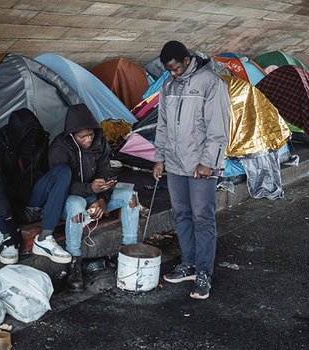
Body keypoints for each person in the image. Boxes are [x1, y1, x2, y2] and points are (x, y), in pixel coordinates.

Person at [153, 41, 230, 300]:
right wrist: (159, 158)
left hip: (200, 165)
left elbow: (218, 128)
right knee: (182, 214)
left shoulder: (211, 83)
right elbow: (162, 125)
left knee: (203, 217)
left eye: (175, 68)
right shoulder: (167, 86)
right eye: (168, 70)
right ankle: (188, 263)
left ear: (186, 60)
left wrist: (208, 162)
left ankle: (204, 272)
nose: (172, 74)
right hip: (175, 164)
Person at [49, 103, 140, 291]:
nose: (88, 140)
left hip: (94, 196)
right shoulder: (59, 147)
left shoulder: (99, 142)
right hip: (70, 199)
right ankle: (74, 262)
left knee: (131, 197)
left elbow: (107, 173)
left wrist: (103, 199)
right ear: (72, 135)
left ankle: (128, 253)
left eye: (90, 134)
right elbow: (59, 186)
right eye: (83, 137)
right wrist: (90, 189)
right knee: (76, 205)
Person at [0, 108, 72, 265]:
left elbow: (41, 172)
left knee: (62, 171)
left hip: (29, 197)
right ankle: (9, 238)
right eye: (27, 140)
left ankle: (45, 237)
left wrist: (44, 205)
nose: (31, 144)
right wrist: (9, 220)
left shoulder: (40, 140)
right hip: (7, 204)